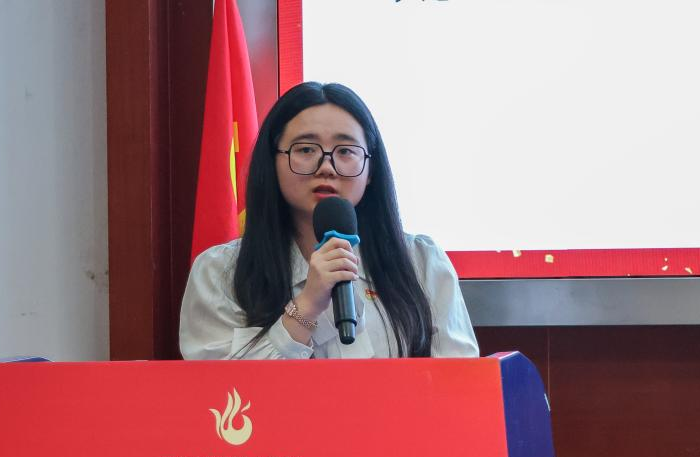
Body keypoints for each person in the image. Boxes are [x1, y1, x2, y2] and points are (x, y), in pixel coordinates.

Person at [180, 82, 478, 359]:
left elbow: (458, 380)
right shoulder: (220, 272)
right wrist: (307, 305)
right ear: (272, 163)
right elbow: (219, 388)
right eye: (306, 150)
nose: (327, 167)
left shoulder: (420, 261)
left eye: (345, 151)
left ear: (370, 170)